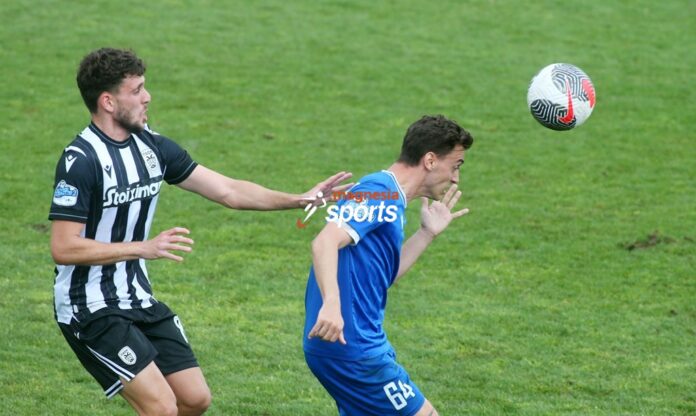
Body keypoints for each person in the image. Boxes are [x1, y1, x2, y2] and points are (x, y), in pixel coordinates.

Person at [49, 47, 351, 416]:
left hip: (137, 298)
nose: (148, 97)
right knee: (161, 407)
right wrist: (141, 248)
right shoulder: (81, 162)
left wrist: (299, 198)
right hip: (88, 306)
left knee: (194, 399)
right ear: (108, 102)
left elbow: (229, 191)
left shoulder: (152, 147)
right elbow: (63, 247)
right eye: (137, 90)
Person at [303, 115, 473, 416]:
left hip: (351, 343)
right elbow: (324, 242)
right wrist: (331, 304)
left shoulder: (389, 197)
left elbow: (382, 277)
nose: (456, 178)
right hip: (353, 347)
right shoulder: (381, 192)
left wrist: (426, 234)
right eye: (455, 165)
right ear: (430, 160)